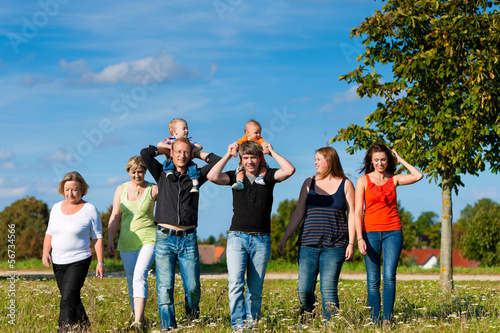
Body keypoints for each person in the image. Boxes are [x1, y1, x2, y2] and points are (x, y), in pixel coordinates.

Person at [207, 140, 295, 330]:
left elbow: (289, 170)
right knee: (235, 284)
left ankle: (253, 325)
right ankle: (238, 326)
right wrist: (228, 155)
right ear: (241, 159)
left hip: (261, 239)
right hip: (237, 237)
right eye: (245, 158)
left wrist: (272, 152)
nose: (249, 162)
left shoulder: (269, 176)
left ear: (259, 158)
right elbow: (212, 176)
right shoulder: (234, 177)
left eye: (253, 157)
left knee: (255, 289)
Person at [140, 138, 221, 330]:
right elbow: (145, 153)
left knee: (193, 287)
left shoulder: (197, 176)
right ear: (172, 153)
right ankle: (168, 326)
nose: (182, 156)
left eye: (186, 152)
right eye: (178, 152)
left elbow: (217, 161)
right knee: (164, 287)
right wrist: (166, 149)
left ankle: (192, 315)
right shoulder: (161, 173)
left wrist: (196, 153)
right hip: (164, 238)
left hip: (188, 238)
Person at [277, 147, 355, 320]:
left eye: (318, 159)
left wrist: (351, 242)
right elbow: (299, 213)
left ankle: (331, 326)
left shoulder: (346, 184)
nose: (315, 163)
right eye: (315, 159)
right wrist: (285, 238)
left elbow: (353, 214)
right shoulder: (308, 182)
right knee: (304, 290)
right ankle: (307, 316)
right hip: (308, 243)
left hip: (335, 245)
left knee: (328, 290)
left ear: (330, 161)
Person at [355, 143, 423, 325]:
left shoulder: (394, 179)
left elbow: (419, 175)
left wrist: (401, 160)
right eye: (376, 160)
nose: (380, 163)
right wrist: (359, 238)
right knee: (373, 279)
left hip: (393, 231)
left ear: (388, 160)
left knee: (390, 276)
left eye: (383, 159)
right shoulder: (363, 181)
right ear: (371, 161)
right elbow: (355, 212)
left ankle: (387, 319)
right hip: (369, 233)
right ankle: (374, 320)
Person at [42, 171, 105, 332]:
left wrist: (100, 262)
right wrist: (45, 252)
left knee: (67, 301)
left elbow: (97, 237)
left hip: (79, 260)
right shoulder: (56, 208)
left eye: (75, 189)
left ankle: (62, 330)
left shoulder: (89, 209)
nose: (71, 193)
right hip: (58, 261)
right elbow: (49, 232)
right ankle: (85, 328)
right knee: (71, 298)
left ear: (82, 189)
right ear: (62, 190)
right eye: (67, 189)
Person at [107, 156, 158, 329]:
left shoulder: (153, 188)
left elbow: (170, 203)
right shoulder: (120, 189)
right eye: (134, 171)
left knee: (139, 275)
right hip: (126, 240)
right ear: (128, 172)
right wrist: (110, 240)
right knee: (131, 282)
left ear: (145, 172)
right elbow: (115, 216)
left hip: (149, 238)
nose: (137, 175)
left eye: (141, 171)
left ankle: (137, 321)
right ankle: (140, 321)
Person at [158, 118, 203, 192]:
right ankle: (169, 172)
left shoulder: (188, 142)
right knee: (168, 162)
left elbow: (200, 146)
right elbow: (159, 144)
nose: (187, 131)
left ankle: (195, 183)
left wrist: (192, 151)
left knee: (192, 167)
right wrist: (171, 147)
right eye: (184, 129)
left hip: (185, 162)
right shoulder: (171, 140)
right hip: (173, 159)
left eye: (187, 129)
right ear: (175, 132)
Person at [231, 120, 269, 190]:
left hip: (260, 161)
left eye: (260, 133)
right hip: (243, 164)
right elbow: (236, 145)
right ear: (248, 133)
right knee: (240, 171)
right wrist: (234, 150)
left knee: (264, 168)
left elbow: (264, 144)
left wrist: (266, 149)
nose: (259, 135)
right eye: (256, 133)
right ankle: (239, 182)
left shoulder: (259, 140)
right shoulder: (243, 139)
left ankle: (260, 177)